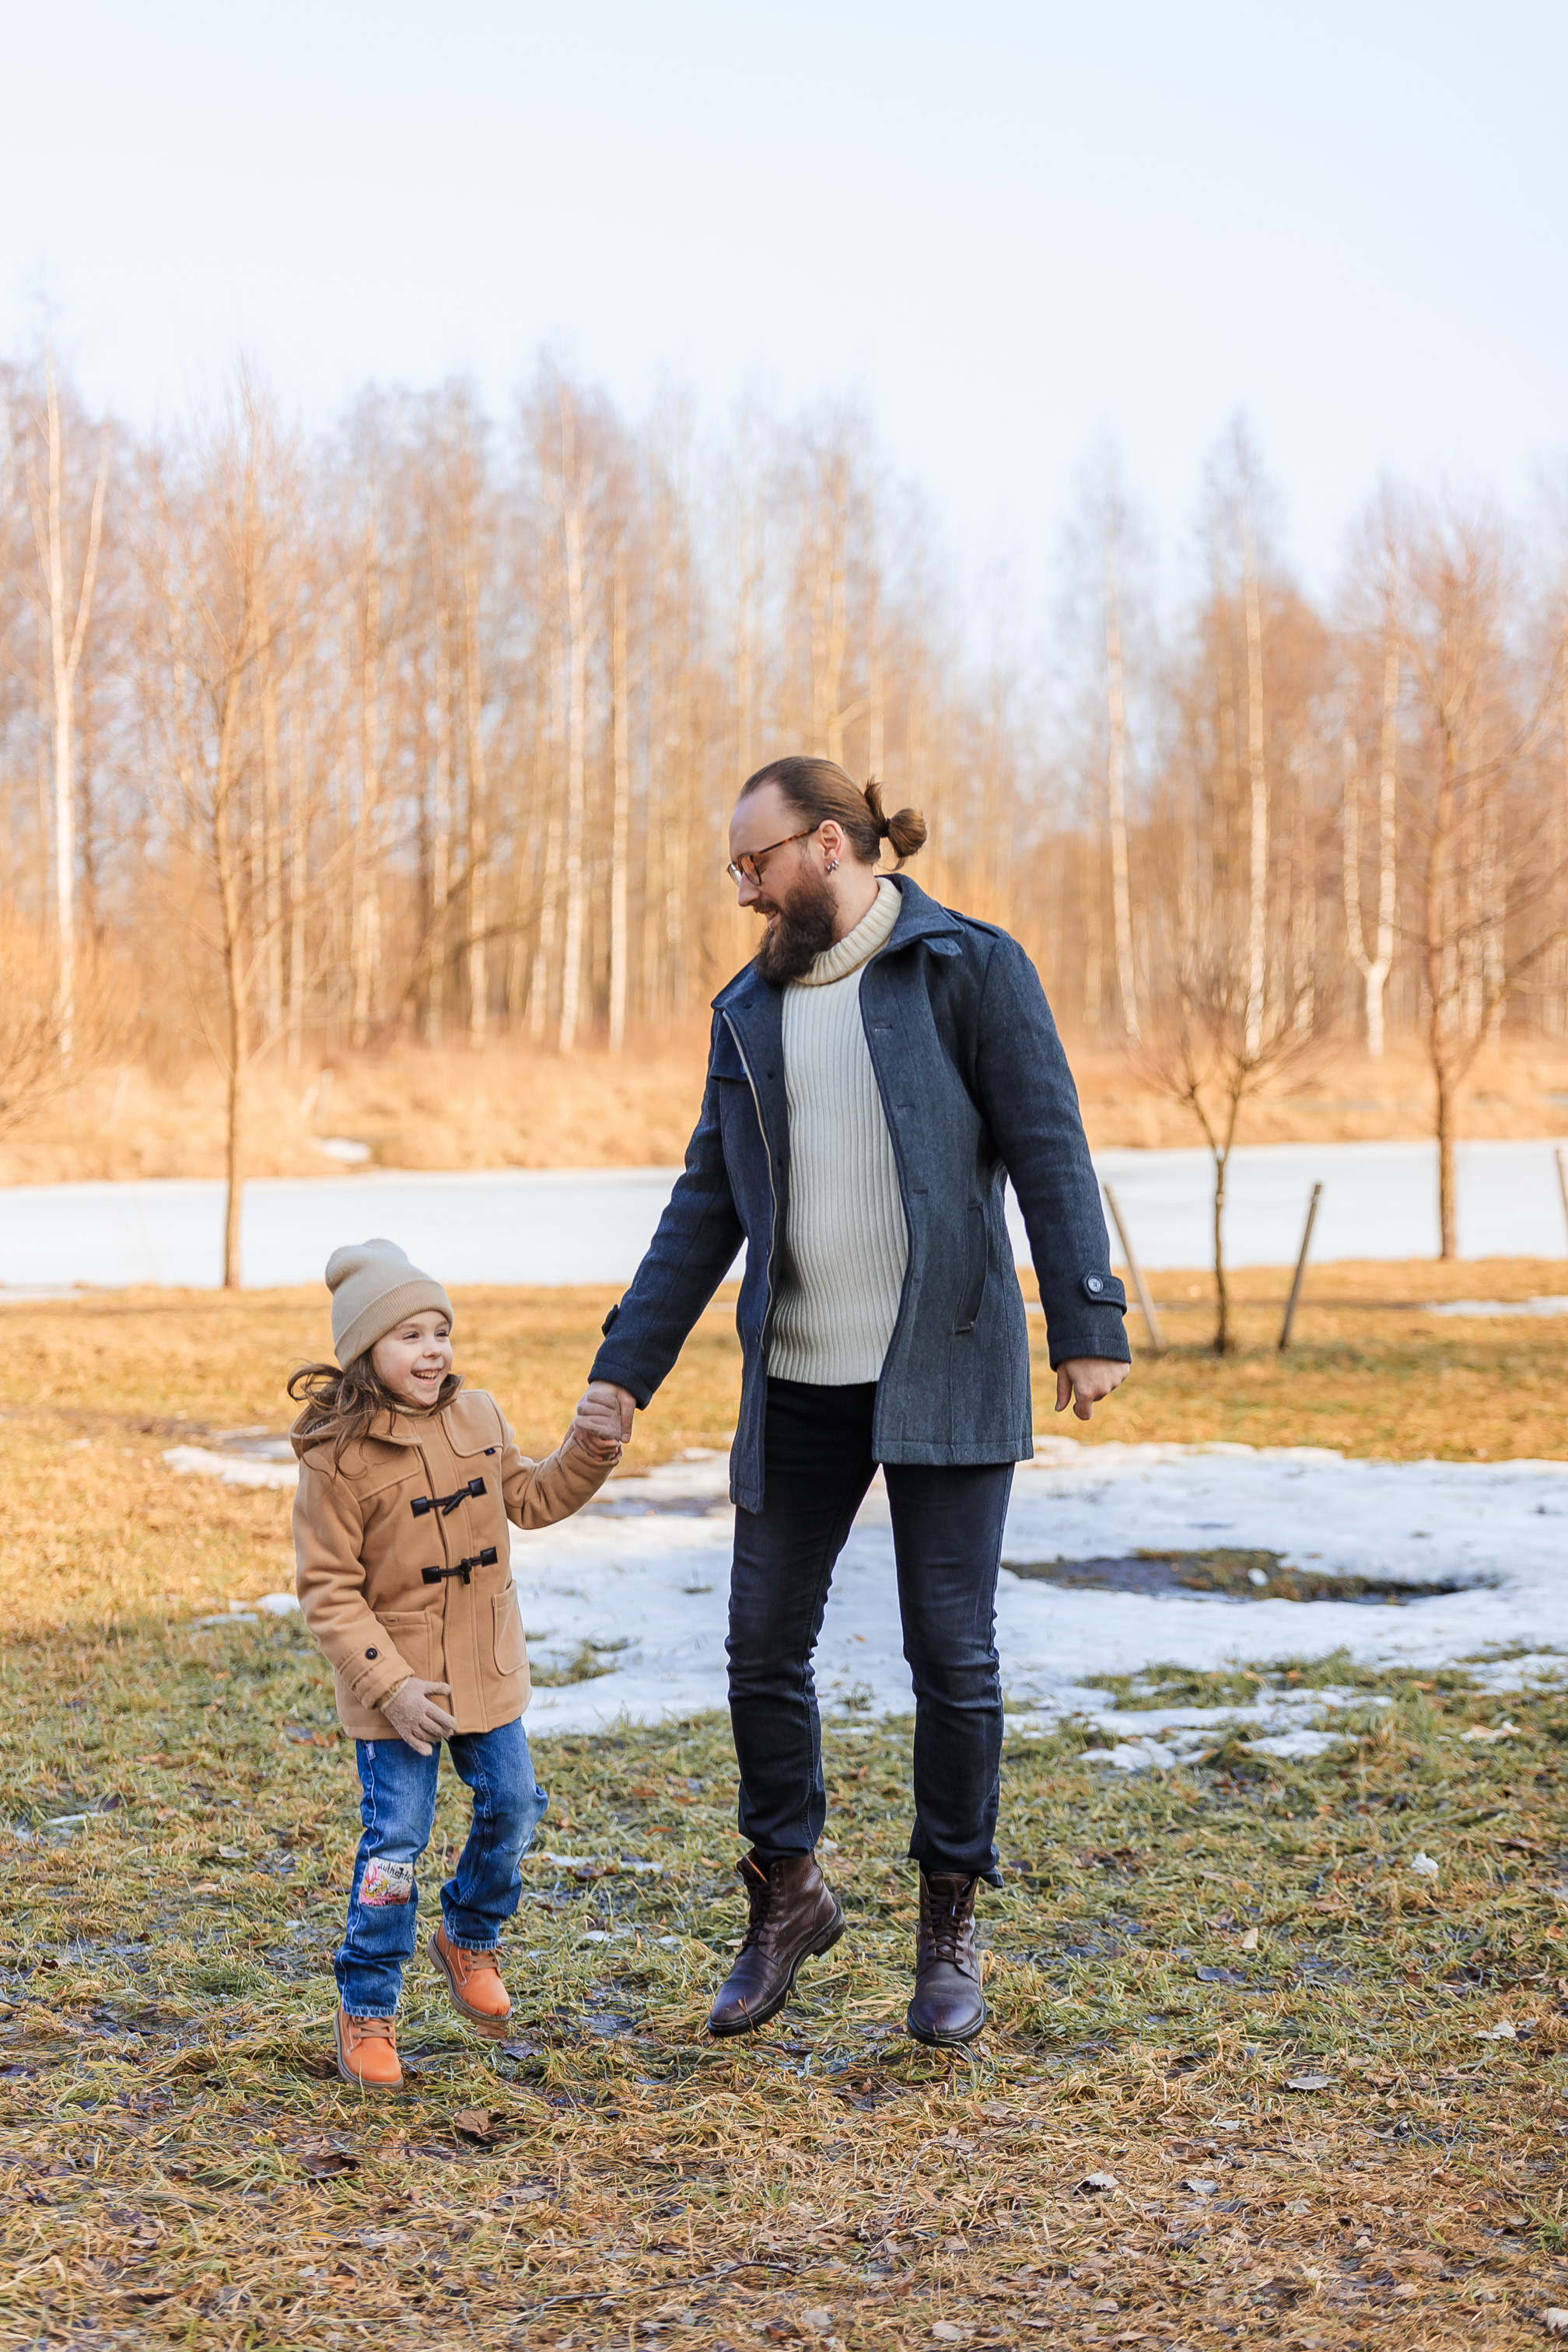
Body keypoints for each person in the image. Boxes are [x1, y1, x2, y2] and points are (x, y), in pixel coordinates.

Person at [585, 757, 1130, 2046]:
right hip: (798, 1373)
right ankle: (787, 1890)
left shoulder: (966, 966)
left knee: (952, 1650)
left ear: (828, 844)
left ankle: (948, 1922)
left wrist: (1086, 1317)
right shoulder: (749, 1010)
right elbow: (704, 1203)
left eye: (756, 862)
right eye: (736, 869)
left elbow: (1049, 1138)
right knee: (759, 1645)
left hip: (944, 1356)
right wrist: (623, 1367)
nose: (743, 890)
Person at [289, 1237, 625, 2091]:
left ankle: (468, 1935)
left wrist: (587, 1455)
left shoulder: (478, 1418)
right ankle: (367, 2007)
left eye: (440, 1330)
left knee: (513, 1804)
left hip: (487, 1670)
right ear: (365, 1350)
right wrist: (390, 1686)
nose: (432, 1349)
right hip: (395, 1691)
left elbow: (534, 1498)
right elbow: (328, 1590)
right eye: (408, 1335)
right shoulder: (336, 1458)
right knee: (394, 1847)